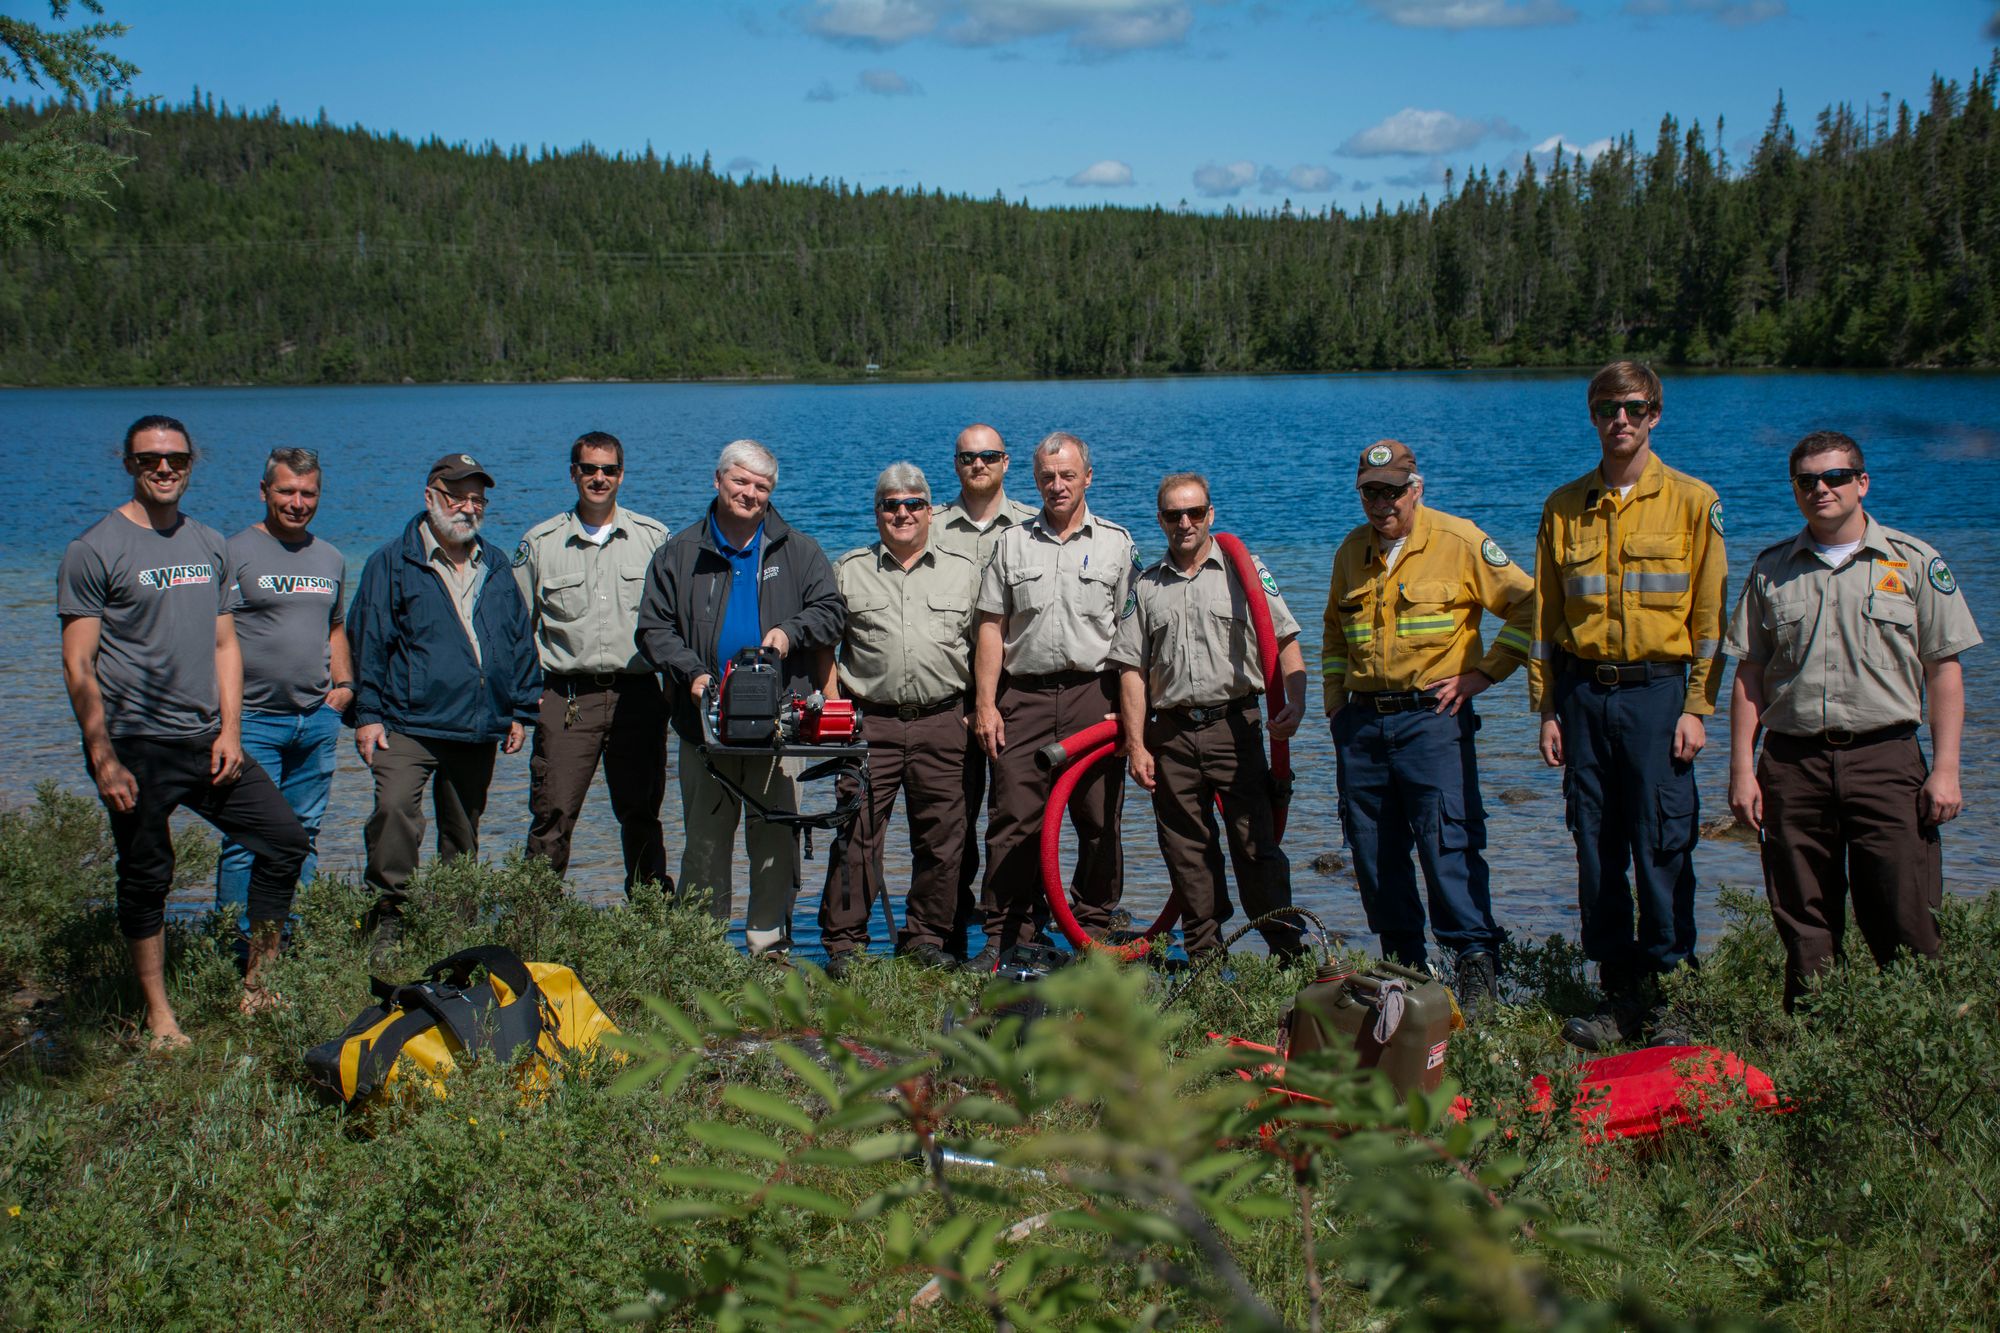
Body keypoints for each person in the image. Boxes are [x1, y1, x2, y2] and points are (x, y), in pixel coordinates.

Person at [57, 415, 309, 1047]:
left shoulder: (207, 543)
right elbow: (77, 661)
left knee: (283, 840)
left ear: (192, 463)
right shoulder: (96, 548)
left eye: (175, 459)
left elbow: (226, 644)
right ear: (129, 464)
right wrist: (102, 756)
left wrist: (230, 732)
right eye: (150, 460)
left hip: (206, 740)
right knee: (148, 875)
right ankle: (159, 1015)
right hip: (135, 744)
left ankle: (258, 983)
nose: (164, 469)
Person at [1725, 431, 1979, 1010]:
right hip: (1792, 764)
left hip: (1886, 760)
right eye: (1807, 480)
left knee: (1905, 913)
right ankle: (1818, 1050)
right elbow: (1750, 676)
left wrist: (1947, 770)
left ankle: (1912, 1052)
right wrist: (1742, 769)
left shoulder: (1914, 562)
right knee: (1805, 921)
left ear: (1862, 482)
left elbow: (1944, 671)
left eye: (1835, 477)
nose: (1821, 489)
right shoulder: (1771, 571)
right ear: (1795, 490)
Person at [1530, 362, 1727, 1050]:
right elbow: (1546, 618)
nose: (1621, 418)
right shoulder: (1562, 506)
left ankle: (1671, 988)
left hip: (1658, 693)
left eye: (1634, 407)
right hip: (1584, 695)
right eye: (1608, 407)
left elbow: (1709, 618)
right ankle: (1618, 993)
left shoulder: (1694, 501)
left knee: (1663, 841)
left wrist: (1698, 705)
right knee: (1596, 843)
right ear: (1592, 415)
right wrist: (1547, 707)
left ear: (1655, 414)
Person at [1321, 441, 1533, 1012]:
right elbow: (1335, 636)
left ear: (1417, 489)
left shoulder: (1459, 541)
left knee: (1448, 845)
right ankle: (1405, 972)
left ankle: (1475, 970)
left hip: (1432, 721)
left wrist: (1484, 675)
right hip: (1362, 728)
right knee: (1373, 854)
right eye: (1371, 491)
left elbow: (1530, 606)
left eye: (1393, 490)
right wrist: (1336, 706)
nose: (1382, 502)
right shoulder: (1350, 552)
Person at [636, 439, 845, 958]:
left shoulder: (798, 550)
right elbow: (652, 630)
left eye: (762, 486)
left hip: (777, 729)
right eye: (741, 481)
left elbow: (833, 613)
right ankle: (701, 954)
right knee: (706, 847)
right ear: (718, 480)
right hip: (703, 727)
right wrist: (692, 674)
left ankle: (767, 950)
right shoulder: (679, 553)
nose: (750, 493)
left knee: (774, 845)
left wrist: (788, 633)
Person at [348, 453, 540, 958]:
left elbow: (518, 639)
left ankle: (456, 928)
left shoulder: (495, 563)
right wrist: (367, 715)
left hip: (476, 724)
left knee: (463, 831)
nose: (468, 507)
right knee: (393, 811)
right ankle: (390, 917)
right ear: (430, 496)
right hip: (406, 723)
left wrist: (521, 709)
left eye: (477, 499)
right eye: (458, 496)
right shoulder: (392, 562)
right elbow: (368, 641)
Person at [1110, 473, 1308, 960]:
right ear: (1160, 520)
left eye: (1194, 513)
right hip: (1172, 735)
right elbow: (1132, 671)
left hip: (1234, 728)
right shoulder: (1146, 586)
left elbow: (1284, 641)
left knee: (1255, 845)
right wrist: (1136, 745)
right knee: (1186, 851)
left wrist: (1297, 702)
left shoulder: (1245, 571)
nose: (1185, 523)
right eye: (1174, 514)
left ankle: (1286, 952)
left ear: (1210, 515)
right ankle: (1205, 956)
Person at [970, 430, 1137, 970]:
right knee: (1014, 817)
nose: (1057, 485)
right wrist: (987, 703)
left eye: (1068, 475)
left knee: (1098, 818)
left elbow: (1134, 636)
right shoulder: (1011, 544)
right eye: (1047, 476)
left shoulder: (1117, 543)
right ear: (1035, 479)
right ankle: (1009, 935)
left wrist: (1133, 714)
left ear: (1088, 477)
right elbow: (992, 628)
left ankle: (1091, 931)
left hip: (1095, 695)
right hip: (1025, 698)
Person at [817, 463, 981, 975]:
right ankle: (846, 945)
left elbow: (986, 646)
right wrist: (834, 704)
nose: (902, 513)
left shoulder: (965, 571)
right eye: (891, 505)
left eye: (913, 504)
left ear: (931, 511)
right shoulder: (849, 569)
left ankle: (925, 938)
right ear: (877, 513)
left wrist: (981, 708)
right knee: (855, 832)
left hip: (943, 720)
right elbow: (825, 645)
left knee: (943, 835)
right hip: (872, 723)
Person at [513, 431, 672, 894]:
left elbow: (673, 622)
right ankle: (535, 917)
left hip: (637, 697)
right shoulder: (539, 543)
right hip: (566, 699)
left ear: (622, 474)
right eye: (589, 469)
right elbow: (517, 629)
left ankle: (651, 922)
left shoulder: (653, 538)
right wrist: (524, 701)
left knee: (641, 813)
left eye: (608, 469)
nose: (599, 478)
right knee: (553, 813)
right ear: (573, 473)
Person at [213, 447, 351, 944]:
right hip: (252, 721)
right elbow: (214, 638)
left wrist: (344, 687)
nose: (297, 502)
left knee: (304, 836)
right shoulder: (231, 553)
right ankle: (234, 947)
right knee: (245, 840)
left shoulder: (330, 557)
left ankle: (292, 945)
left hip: (315, 720)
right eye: (286, 491)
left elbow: (335, 628)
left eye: (307, 492)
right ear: (264, 491)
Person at [930, 423, 1039, 951]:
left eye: (989, 456)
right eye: (968, 457)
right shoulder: (928, 525)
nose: (979, 464)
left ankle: (1018, 929)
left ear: (1006, 461)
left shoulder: (1031, 526)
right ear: (956, 464)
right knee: (953, 820)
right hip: (949, 696)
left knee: (1018, 815)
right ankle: (948, 928)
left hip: (1018, 695)